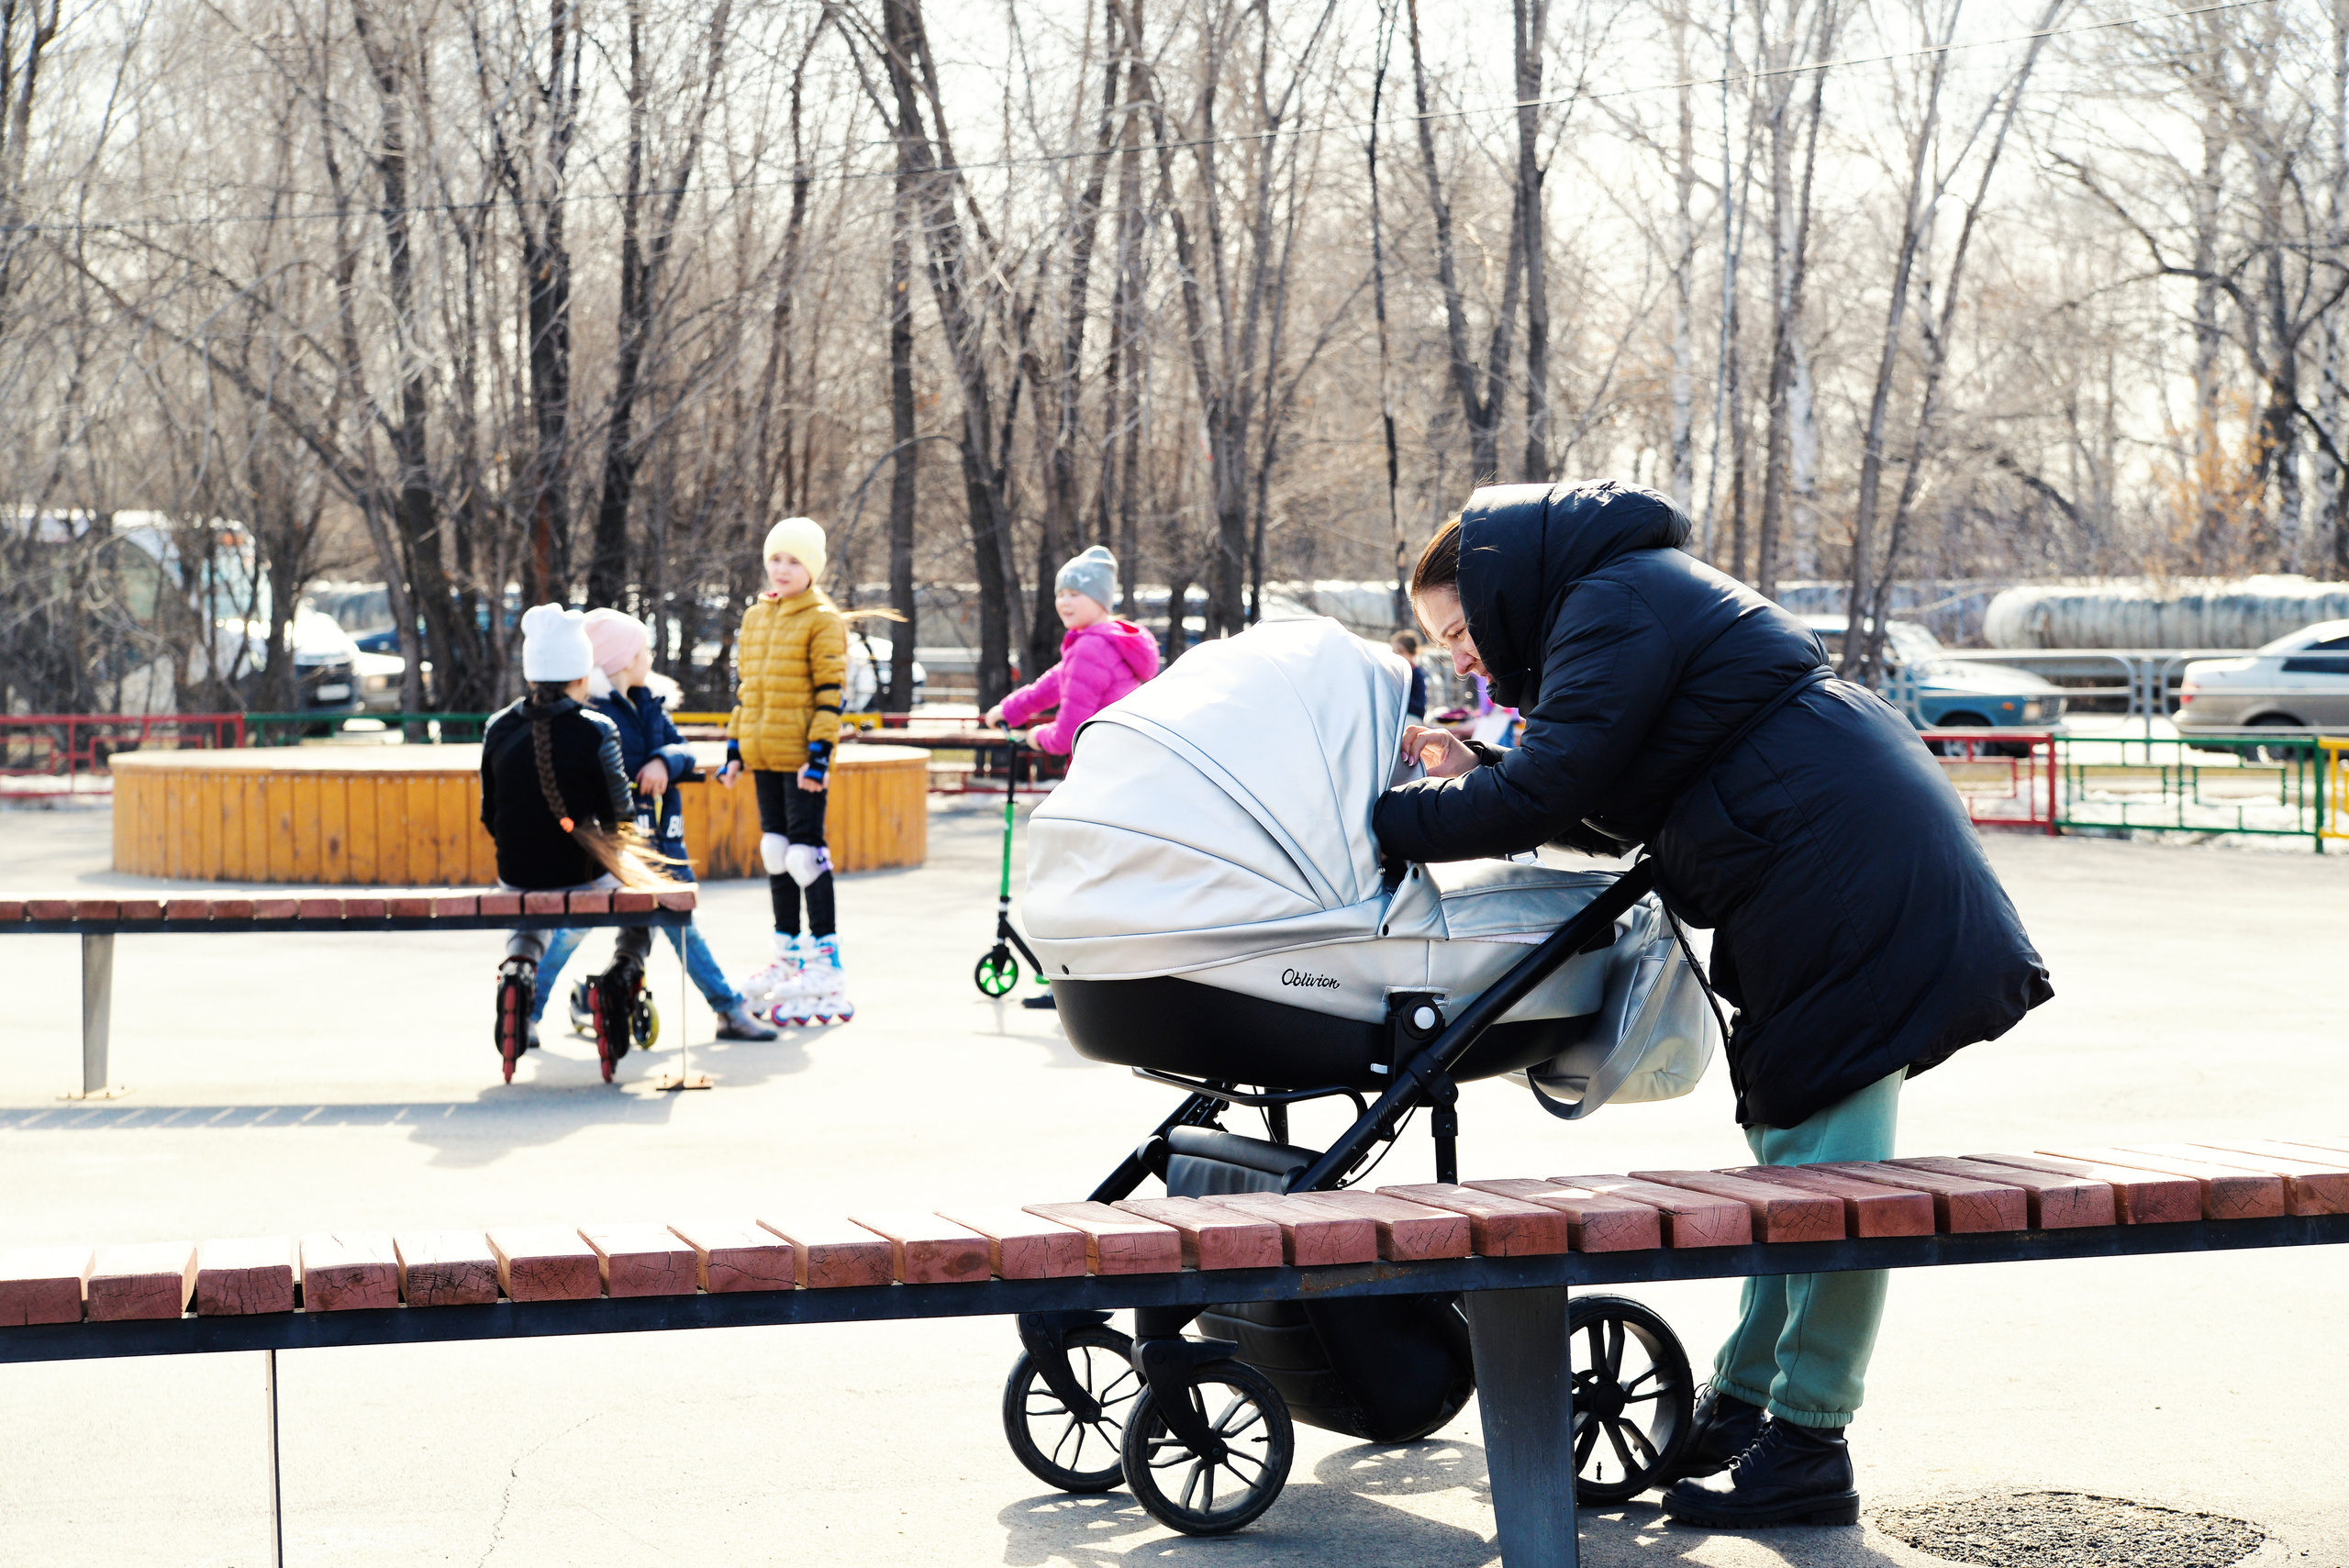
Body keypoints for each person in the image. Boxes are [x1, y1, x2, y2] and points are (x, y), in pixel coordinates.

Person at [1375, 480, 2052, 1529]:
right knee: (1793, 1144)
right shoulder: (1611, 600)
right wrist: (1489, 773)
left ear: (1502, 591)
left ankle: (1809, 1439)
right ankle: (1744, 1405)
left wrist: (1382, 819)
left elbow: (1551, 796)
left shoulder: (1612, 600)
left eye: (1460, 630)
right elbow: (1602, 804)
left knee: (1834, 1173)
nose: (1462, 656)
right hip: (1810, 854)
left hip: (1841, 862)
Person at [527, 609, 778, 1044]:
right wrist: (639, 771)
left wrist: (664, 761)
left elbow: (681, 748)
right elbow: (596, 769)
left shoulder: (649, 703)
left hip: (661, 844)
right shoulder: (593, 715)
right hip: (613, 847)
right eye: (642, 649)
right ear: (620, 660)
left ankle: (699, 1004)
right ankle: (528, 1011)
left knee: (674, 926)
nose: (649, 656)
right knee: (574, 930)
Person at [481, 604, 675, 1080]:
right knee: (643, 908)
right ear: (580, 673)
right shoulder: (598, 728)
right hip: (584, 871)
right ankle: (620, 975)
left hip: (517, 870)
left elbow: (490, 816)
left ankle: (519, 967)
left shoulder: (498, 727)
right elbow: (621, 818)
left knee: (527, 910)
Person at [718, 517, 855, 1023]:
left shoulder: (822, 619)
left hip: (802, 759)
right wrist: (734, 749)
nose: (781, 569)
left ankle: (827, 962)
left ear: (812, 568)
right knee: (775, 852)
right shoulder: (757, 617)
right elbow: (747, 692)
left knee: (805, 855)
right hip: (763, 755)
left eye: (794, 560)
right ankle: (788, 953)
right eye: (776, 558)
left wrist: (820, 756)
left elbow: (829, 695)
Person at [985, 544, 1159, 752]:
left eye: (1075, 594)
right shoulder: (1107, 642)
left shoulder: (1089, 649)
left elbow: (1068, 736)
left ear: (1100, 600)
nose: (1064, 602)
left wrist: (1038, 736)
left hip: (1098, 768)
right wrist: (1011, 710)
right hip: (1119, 759)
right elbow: (1052, 684)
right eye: (1060, 594)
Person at [1390, 629, 1428, 719]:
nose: (1396, 655)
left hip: (1411, 717)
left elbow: (1419, 707)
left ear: (1412, 653)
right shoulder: (1393, 672)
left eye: (1401, 651)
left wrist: (1398, 696)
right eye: (1394, 652)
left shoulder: (1416, 674)